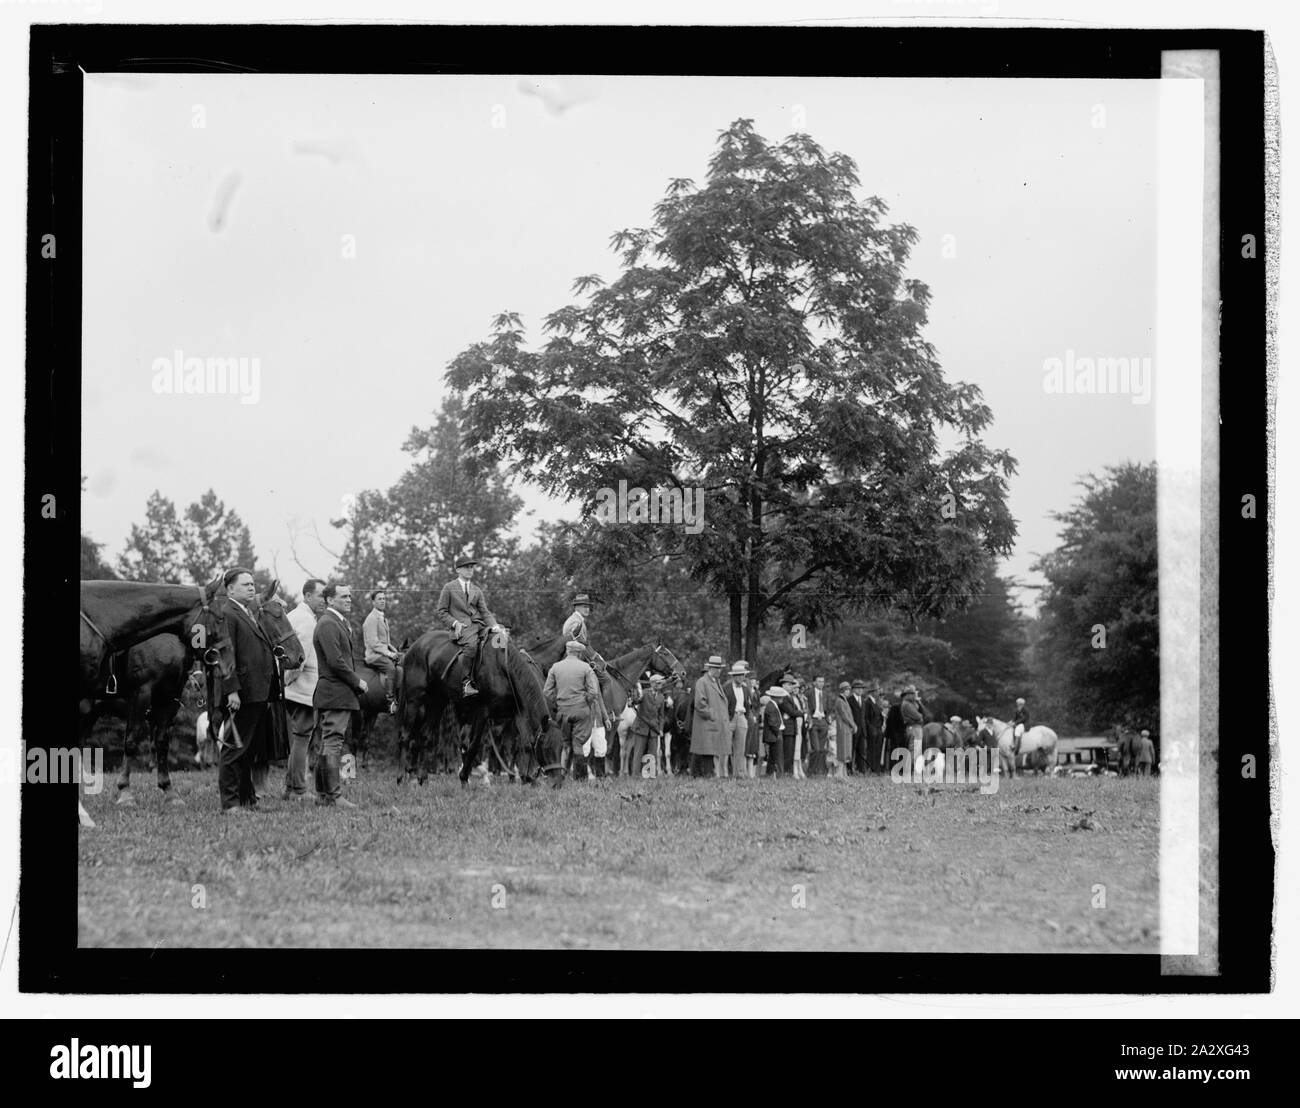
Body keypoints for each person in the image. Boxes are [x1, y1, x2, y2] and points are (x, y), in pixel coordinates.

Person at [218, 567, 279, 813]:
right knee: (234, 748)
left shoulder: (246, 612)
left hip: (257, 692)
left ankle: (247, 800)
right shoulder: (227, 613)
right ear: (230, 589)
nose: (252, 588)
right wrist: (231, 690)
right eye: (246, 584)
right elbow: (224, 654)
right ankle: (230, 803)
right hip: (241, 693)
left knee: (248, 750)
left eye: (253, 584)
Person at [311, 583, 366, 808]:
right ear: (330, 600)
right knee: (333, 742)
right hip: (335, 692)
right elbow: (336, 661)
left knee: (329, 743)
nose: (349, 600)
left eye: (350, 596)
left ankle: (323, 796)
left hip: (335, 692)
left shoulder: (335, 623)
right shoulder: (328, 624)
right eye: (343, 596)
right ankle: (333, 797)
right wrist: (357, 681)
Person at [434, 556, 504, 697]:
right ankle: (466, 683)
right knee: (472, 645)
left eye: (471, 567)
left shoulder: (476, 590)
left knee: (501, 638)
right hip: (461, 627)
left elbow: (484, 611)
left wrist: (495, 626)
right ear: (458, 569)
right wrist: (454, 623)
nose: (470, 570)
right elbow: (441, 611)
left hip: (478, 625)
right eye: (466, 567)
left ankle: (501, 676)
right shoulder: (449, 588)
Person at [282, 578, 325, 800]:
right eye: (320, 595)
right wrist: (288, 681)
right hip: (302, 690)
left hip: (296, 689)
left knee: (299, 738)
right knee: (301, 738)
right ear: (307, 596)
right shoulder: (307, 621)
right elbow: (300, 657)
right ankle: (298, 789)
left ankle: (291, 787)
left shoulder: (294, 616)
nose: (323, 600)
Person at [543, 639, 605, 781]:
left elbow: (546, 692)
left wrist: (558, 702)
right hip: (581, 711)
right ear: (579, 653)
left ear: (567, 651)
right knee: (578, 744)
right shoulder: (585, 668)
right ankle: (580, 779)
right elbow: (594, 693)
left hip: (562, 712)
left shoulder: (555, 667)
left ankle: (559, 777)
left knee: (564, 744)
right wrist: (585, 702)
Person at [690, 655, 729, 777]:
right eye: (718, 668)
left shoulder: (716, 682)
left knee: (710, 750)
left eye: (720, 668)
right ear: (711, 668)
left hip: (713, 723)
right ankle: (706, 774)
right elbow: (700, 704)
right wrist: (712, 714)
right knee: (706, 750)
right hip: (706, 723)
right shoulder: (702, 682)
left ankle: (705, 773)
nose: (720, 670)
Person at [362, 588, 399, 713]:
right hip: (374, 656)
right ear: (373, 602)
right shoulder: (371, 619)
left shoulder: (383, 618)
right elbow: (374, 643)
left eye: (384, 599)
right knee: (391, 668)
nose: (383, 601)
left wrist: (396, 652)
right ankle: (390, 701)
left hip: (382, 652)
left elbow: (386, 642)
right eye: (379, 599)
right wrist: (389, 654)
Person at [628, 673, 666, 777]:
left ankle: (650, 775)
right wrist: (633, 697)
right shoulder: (644, 693)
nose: (661, 685)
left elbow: (661, 716)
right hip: (641, 727)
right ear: (653, 684)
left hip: (654, 729)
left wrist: (661, 729)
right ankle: (635, 775)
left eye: (661, 683)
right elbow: (635, 701)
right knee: (638, 753)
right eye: (659, 683)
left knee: (652, 754)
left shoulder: (661, 697)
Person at [724, 661, 751, 779]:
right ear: (734, 676)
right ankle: (723, 773)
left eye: (743, 674)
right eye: (740, 675)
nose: (742, 677)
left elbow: (748, 705)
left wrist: (745, 717)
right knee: (725, 746)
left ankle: (739, 773)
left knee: (740, 748)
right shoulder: (726, 688)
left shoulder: (745, 689)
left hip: (741, 716)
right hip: (730, 717)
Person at [779, 675, 804, 778]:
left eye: (792, 685)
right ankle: (784, 773)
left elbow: (792, 712)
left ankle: (787, 772)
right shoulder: (783, 697)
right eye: (789, 684)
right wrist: (801, 713)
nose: (791, 687)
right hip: (787, 728)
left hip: (791, 728)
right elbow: (791, 711)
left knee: (790, 752)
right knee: (787, 752)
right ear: (783, 685)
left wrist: (795, 713)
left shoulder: (789, 696)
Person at [807, 675, 830, 777]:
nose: (821, 683)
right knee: (816, 749)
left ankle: (820, 771)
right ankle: (811, 771)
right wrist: (809, 720)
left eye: (823, 681)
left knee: (821, 749)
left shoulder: (825, 694)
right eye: (819, 681)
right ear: (814, 683)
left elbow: (827, 708)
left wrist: (827, 719)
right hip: (814, 721)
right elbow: (806, 708)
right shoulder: (809, 693)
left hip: (823, 722)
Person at [833, 681, 856, 780]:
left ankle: (844, 773)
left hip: (846, 729)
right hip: (843, 728)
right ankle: (839, 774)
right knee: (842, 751)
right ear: (843, 690)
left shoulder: (844, 700)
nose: (849, 691)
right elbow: (844, 715)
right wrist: (853, 724)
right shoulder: (840, 701)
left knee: (846, 751)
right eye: (847, 689)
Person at [762, 687, 787, 776]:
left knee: (772, 757)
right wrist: (778, 733)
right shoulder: (771, 706)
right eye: (781, 697)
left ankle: (769, 774)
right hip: (774, 734)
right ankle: (780, 774)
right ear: (776, 697)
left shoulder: (773, 705)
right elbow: (772, 722)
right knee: (778, 756)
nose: (782, 698)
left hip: (773, 734)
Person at [901, 686, 925, 770]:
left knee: (917, 750)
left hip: (916, 727)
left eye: (914, 694)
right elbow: (919, 716)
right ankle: (911, 770)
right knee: (914, 750)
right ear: (907, 695)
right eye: (912, 694)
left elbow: (924, 713)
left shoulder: (912, 704)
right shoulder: (907, 704)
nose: (914, 695)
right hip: (913, 728)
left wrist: (919, 702)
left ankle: (914, 769)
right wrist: (920, 717)